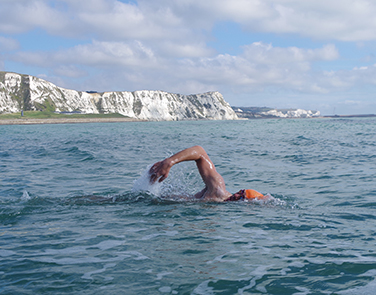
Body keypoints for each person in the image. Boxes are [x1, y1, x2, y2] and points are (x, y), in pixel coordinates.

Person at [149, 145, 268, 202]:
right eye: (241, 191)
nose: (237, 195)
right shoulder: (218, 190)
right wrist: (169, 162)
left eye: (242, 196)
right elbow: (200, 152)